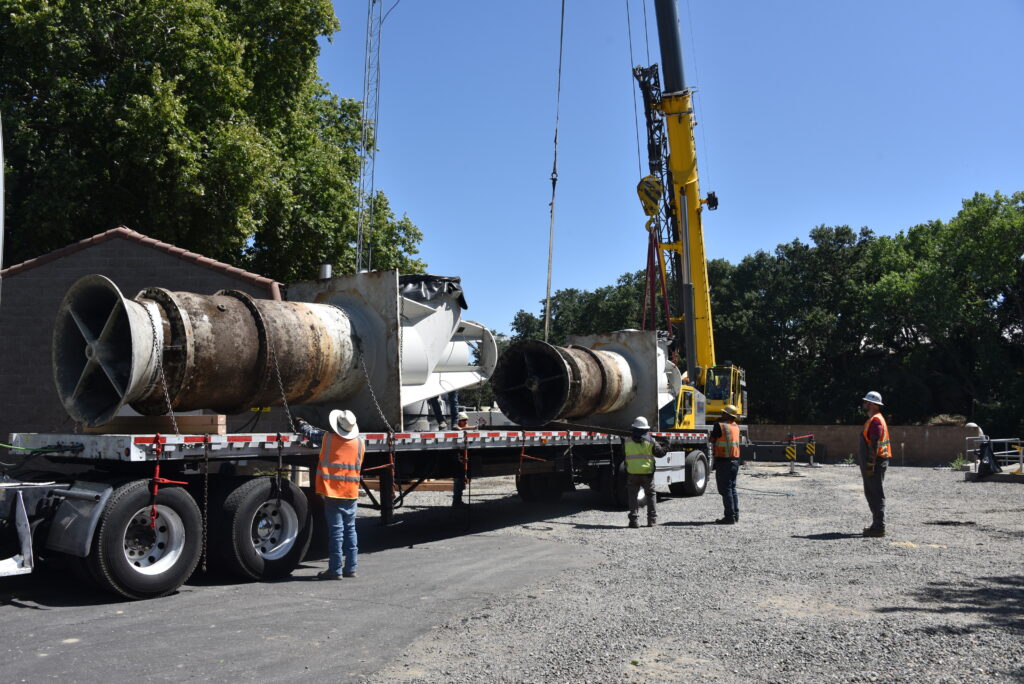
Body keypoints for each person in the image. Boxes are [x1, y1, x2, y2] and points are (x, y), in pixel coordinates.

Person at [296, 410, 364, 579]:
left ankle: (335, 570)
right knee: (350, 530)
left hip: (333, 492)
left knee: (336, 533)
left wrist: (300, 422)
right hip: (351, 492)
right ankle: (351, 568)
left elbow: (311, 433)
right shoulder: (360, 444)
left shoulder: (328, 439)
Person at [859, 391, 891, 537]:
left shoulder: (876, 421)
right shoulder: (875, 419)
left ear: (871, 404)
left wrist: (871, 464)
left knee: (875, 494)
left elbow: (874, 442)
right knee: (872, 493)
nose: (863, 404)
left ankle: (879, 528)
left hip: (875, 462)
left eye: (866, 402)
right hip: (876, 461)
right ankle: (876, 526)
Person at [624, 416, 666, 528]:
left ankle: (633, 521)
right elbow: (660, 453)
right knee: (651, 495)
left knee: (632, 496)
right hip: (647, 473)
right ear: (646, 429)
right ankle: (651, 521)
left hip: (632, 472)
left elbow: (624, 453)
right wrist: (667, 444)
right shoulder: (651, 440)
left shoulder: (627, 441)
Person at [711, 404, 742, 524]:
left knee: (725, 489)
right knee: (732, 488)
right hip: (735, 461)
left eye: (723, 413)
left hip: (724, 461)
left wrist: (715, 426)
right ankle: (735, 515)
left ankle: (729, 517)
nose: (721, 415)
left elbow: (712, 440)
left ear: (728, 415)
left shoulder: (720, 426)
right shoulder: (736, 426)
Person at [451, 411, 470, 507]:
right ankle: (457, 501)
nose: (466, 422)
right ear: (459, 421)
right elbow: (459, 428)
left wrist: (474, 427)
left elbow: (465, 427)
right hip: (457, 457)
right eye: (464, 420)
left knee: (460, 479)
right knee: (458, 479)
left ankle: (457, 501)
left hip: (459, 456)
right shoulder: (455, 428)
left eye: (466, 420)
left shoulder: (461, 428)